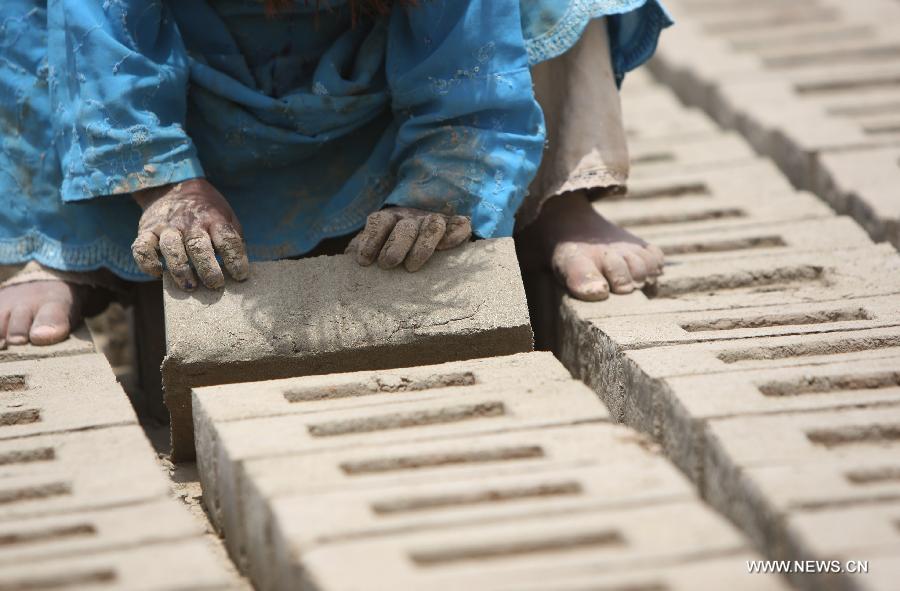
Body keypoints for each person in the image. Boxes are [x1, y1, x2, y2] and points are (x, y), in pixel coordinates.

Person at [0, 0, 671, 348]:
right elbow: (103, 37)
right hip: (197, 85)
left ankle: (551, 194)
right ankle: (57, 242)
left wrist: (448, 177)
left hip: (374, 80)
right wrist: (164, 182)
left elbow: (471, 45)